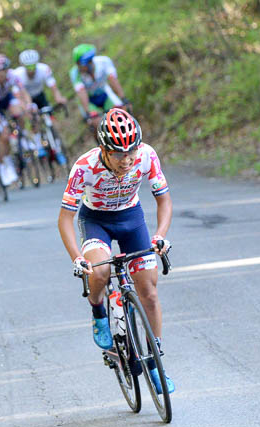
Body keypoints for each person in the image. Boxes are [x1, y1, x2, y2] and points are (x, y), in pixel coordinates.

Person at [57, 108, 174, 394]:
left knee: (149, 291)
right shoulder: (84, 167)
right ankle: (98, 311)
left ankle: (156, 362)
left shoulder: (147, 155)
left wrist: (160, 235)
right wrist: (77, 258)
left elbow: (164, 201)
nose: (128, 160)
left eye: (131, 151)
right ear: (103, 150)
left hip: (131, 218)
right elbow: (65, 218)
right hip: (96, 221)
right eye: (119, 154)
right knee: (101, 271)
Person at [13, 49, 68, 165]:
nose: (31, 70)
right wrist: (26, 107)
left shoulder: (44, 69)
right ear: (23, 66)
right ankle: (39, 146)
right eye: (28, 67)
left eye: (33, 66)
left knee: (51, 120)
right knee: (35, 120)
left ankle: (57, 148)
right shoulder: (17, 75)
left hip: (40, 96)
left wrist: (59, 98)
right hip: (26, 98)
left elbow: (53, 87)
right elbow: (18, 96)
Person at [0, 54, 28, 185]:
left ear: (7, 70)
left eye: (3, 70)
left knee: (18, 111)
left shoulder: (13, 76)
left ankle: (22, 134)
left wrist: (27, 105)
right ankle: (6, 164)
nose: (1, 73)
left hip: (7, 98)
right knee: (4, 135)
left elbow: (23, 92)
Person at [70, 44, 130, 132]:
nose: (78, 67)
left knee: (122, 114)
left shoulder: (103, 62)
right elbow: (81, 92)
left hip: (104, 94)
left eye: (80, 64)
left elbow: (112, 80)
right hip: (90, 101)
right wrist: (88, 113)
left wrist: (123, 98)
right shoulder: (75, 73)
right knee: (97, 124)